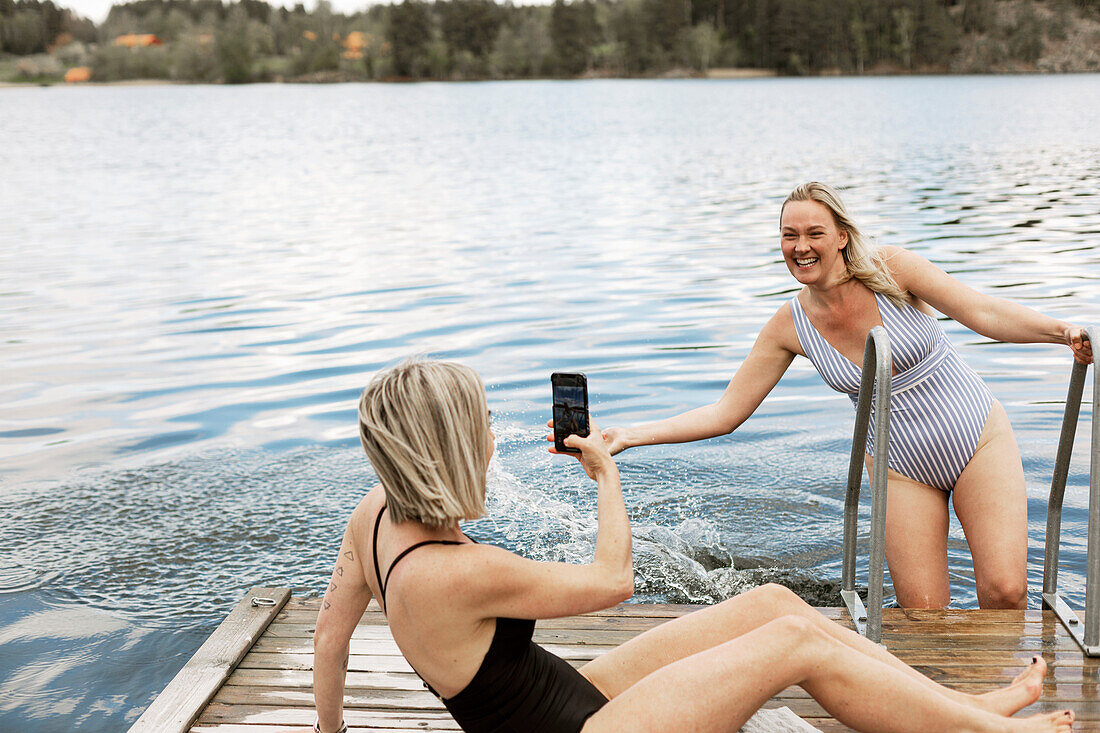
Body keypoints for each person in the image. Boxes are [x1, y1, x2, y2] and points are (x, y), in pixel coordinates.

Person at [312, 358, 1074, 733]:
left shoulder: (375, 512)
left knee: (774, 601)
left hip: (557, 698)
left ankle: (963, 707)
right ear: (443, 446)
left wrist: (330, 731)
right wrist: (605, 475)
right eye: (477, 426)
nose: (489, 438)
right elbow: (614, 579)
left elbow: (328, 634)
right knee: (793, 643)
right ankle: (994, 732)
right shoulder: (459, 573)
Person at [601, 182, 1093, 610]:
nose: (801, 247)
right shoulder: (788, 326)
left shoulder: (892, 270)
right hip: (899, 468)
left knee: (1005, 592)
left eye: (814, 233)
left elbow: (982, 313)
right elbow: (725, 413)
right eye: (789, 235)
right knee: (923, 617)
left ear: (841, 236)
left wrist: (1061, 332)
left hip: (975, 439)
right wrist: (628, 434)